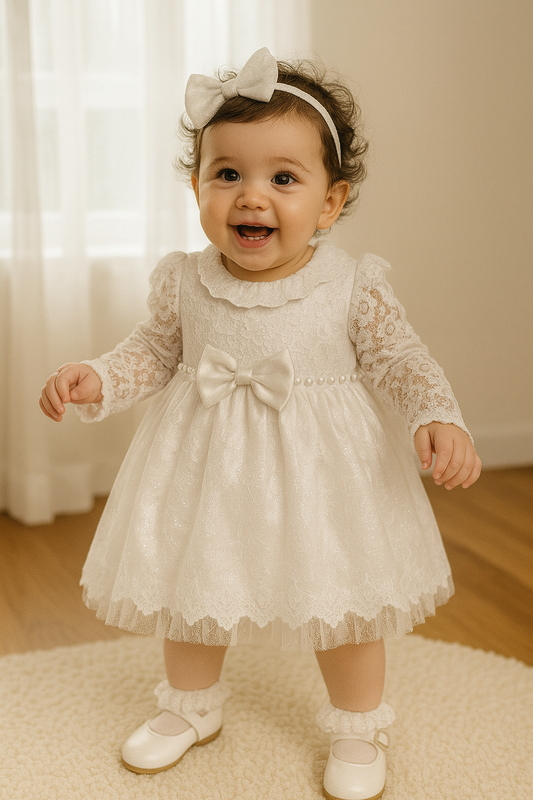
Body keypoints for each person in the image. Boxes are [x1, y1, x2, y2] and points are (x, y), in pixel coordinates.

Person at [40, 48, 481, 800]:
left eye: (283, 178)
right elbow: (152, 350)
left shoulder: (349, 284)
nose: (252, 196)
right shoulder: (185, 277)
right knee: (192, 583)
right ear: (196, 187)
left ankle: (354, 724)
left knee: (339, 597)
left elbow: (400, 358)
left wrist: (436, 414)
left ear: (330, 202)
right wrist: (99, 378)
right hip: (203, 464)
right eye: (228, 174)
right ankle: (191, 708)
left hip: (323, 476)